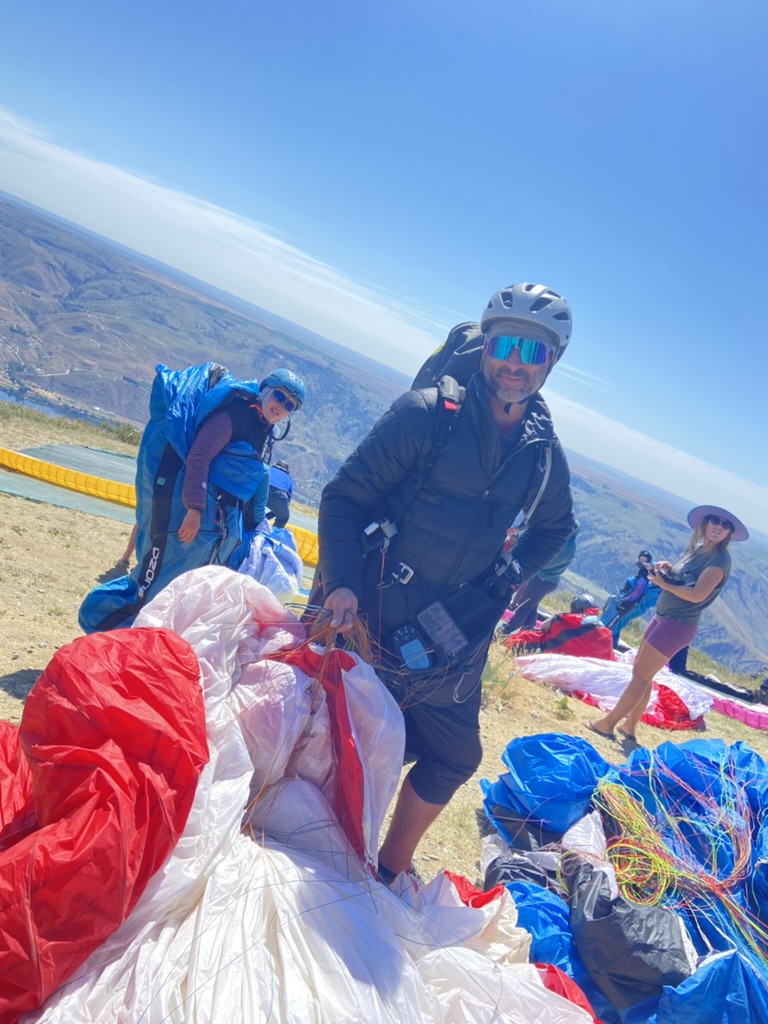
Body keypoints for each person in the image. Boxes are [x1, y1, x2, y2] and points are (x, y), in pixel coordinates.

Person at [313, 282, 576, 882]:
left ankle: (387, 871)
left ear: (551, 361)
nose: (515, 362)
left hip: (455, 630)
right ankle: (320, 847)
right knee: (347, 733)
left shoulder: (541, 453)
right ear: (486, 347)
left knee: (455, 756)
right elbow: (344, 499)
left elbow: (557, 525)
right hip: (374, 606)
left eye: (532, 352)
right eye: (506, 344)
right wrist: (340, 585)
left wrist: (509, 575)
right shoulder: (427, 415)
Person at [79, 364, 306, 632]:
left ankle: (141, 646)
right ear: (265, 390)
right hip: (195, 517)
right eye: (279, 396)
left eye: (289, 405)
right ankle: (99, 623)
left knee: (180, 593)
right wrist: (194, 509)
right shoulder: (234, 415)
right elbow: (200, 456)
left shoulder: (261, 428)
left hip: (214, 529)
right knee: (157, 585)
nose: (281, 406)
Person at [588, 505, 749, 743]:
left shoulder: (719, 561)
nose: (719, 527)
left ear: (729, 534)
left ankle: (607, 724)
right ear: (705, 523)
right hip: (664, 617)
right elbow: (685, 579)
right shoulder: (698, 549)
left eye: (726, 525)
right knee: (642, 674)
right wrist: (668, 569)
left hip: (677, 624)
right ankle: (629, 727)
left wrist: (664, 585)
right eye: (715, 521)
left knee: (641, 676)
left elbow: (697, 595)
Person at [497, 520, 579, 635]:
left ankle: (506, 631)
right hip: (549, 581)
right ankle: (528, 631)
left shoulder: (563, 543)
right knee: (531, 606)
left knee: (524, 605)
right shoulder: (571, 545)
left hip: (542, 580)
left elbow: (546, 561)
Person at [600, 549, 660, 647]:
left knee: (609, 627)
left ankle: (603, 647)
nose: (642, 562)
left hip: (628, 605)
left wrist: (627, 602)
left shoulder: (644, 574)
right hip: (630, 604)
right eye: (641, 559)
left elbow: (639, 589)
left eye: (644, 560)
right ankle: (611, 648)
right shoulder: (647, 571)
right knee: (615, 627)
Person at [266, 460, 294, 528]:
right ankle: (273, 535)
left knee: (253, 506)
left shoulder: (268, 469)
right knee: (283, 517)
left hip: (264, 488)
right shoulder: (289, 480)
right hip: (280, 495)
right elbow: (286, 504)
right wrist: (267, 517)